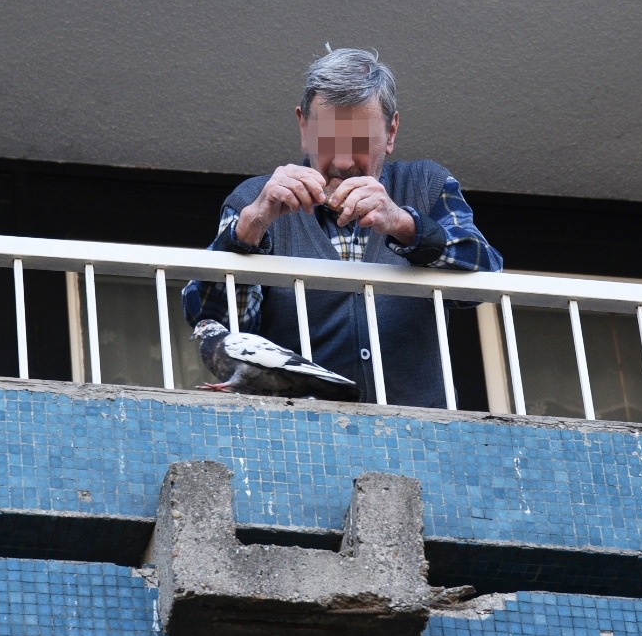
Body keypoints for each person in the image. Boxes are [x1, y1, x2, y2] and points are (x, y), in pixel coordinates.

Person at [182, 48, 502, 407]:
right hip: (300, 436)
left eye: (361, 141)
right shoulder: (255, 200)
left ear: (392, 131)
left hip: (421, 436)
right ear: (304, 127)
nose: (344, 161)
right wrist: (250, 229)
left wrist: (403, 223)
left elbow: (484, 280)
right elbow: (212, 321)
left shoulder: (427, 184)